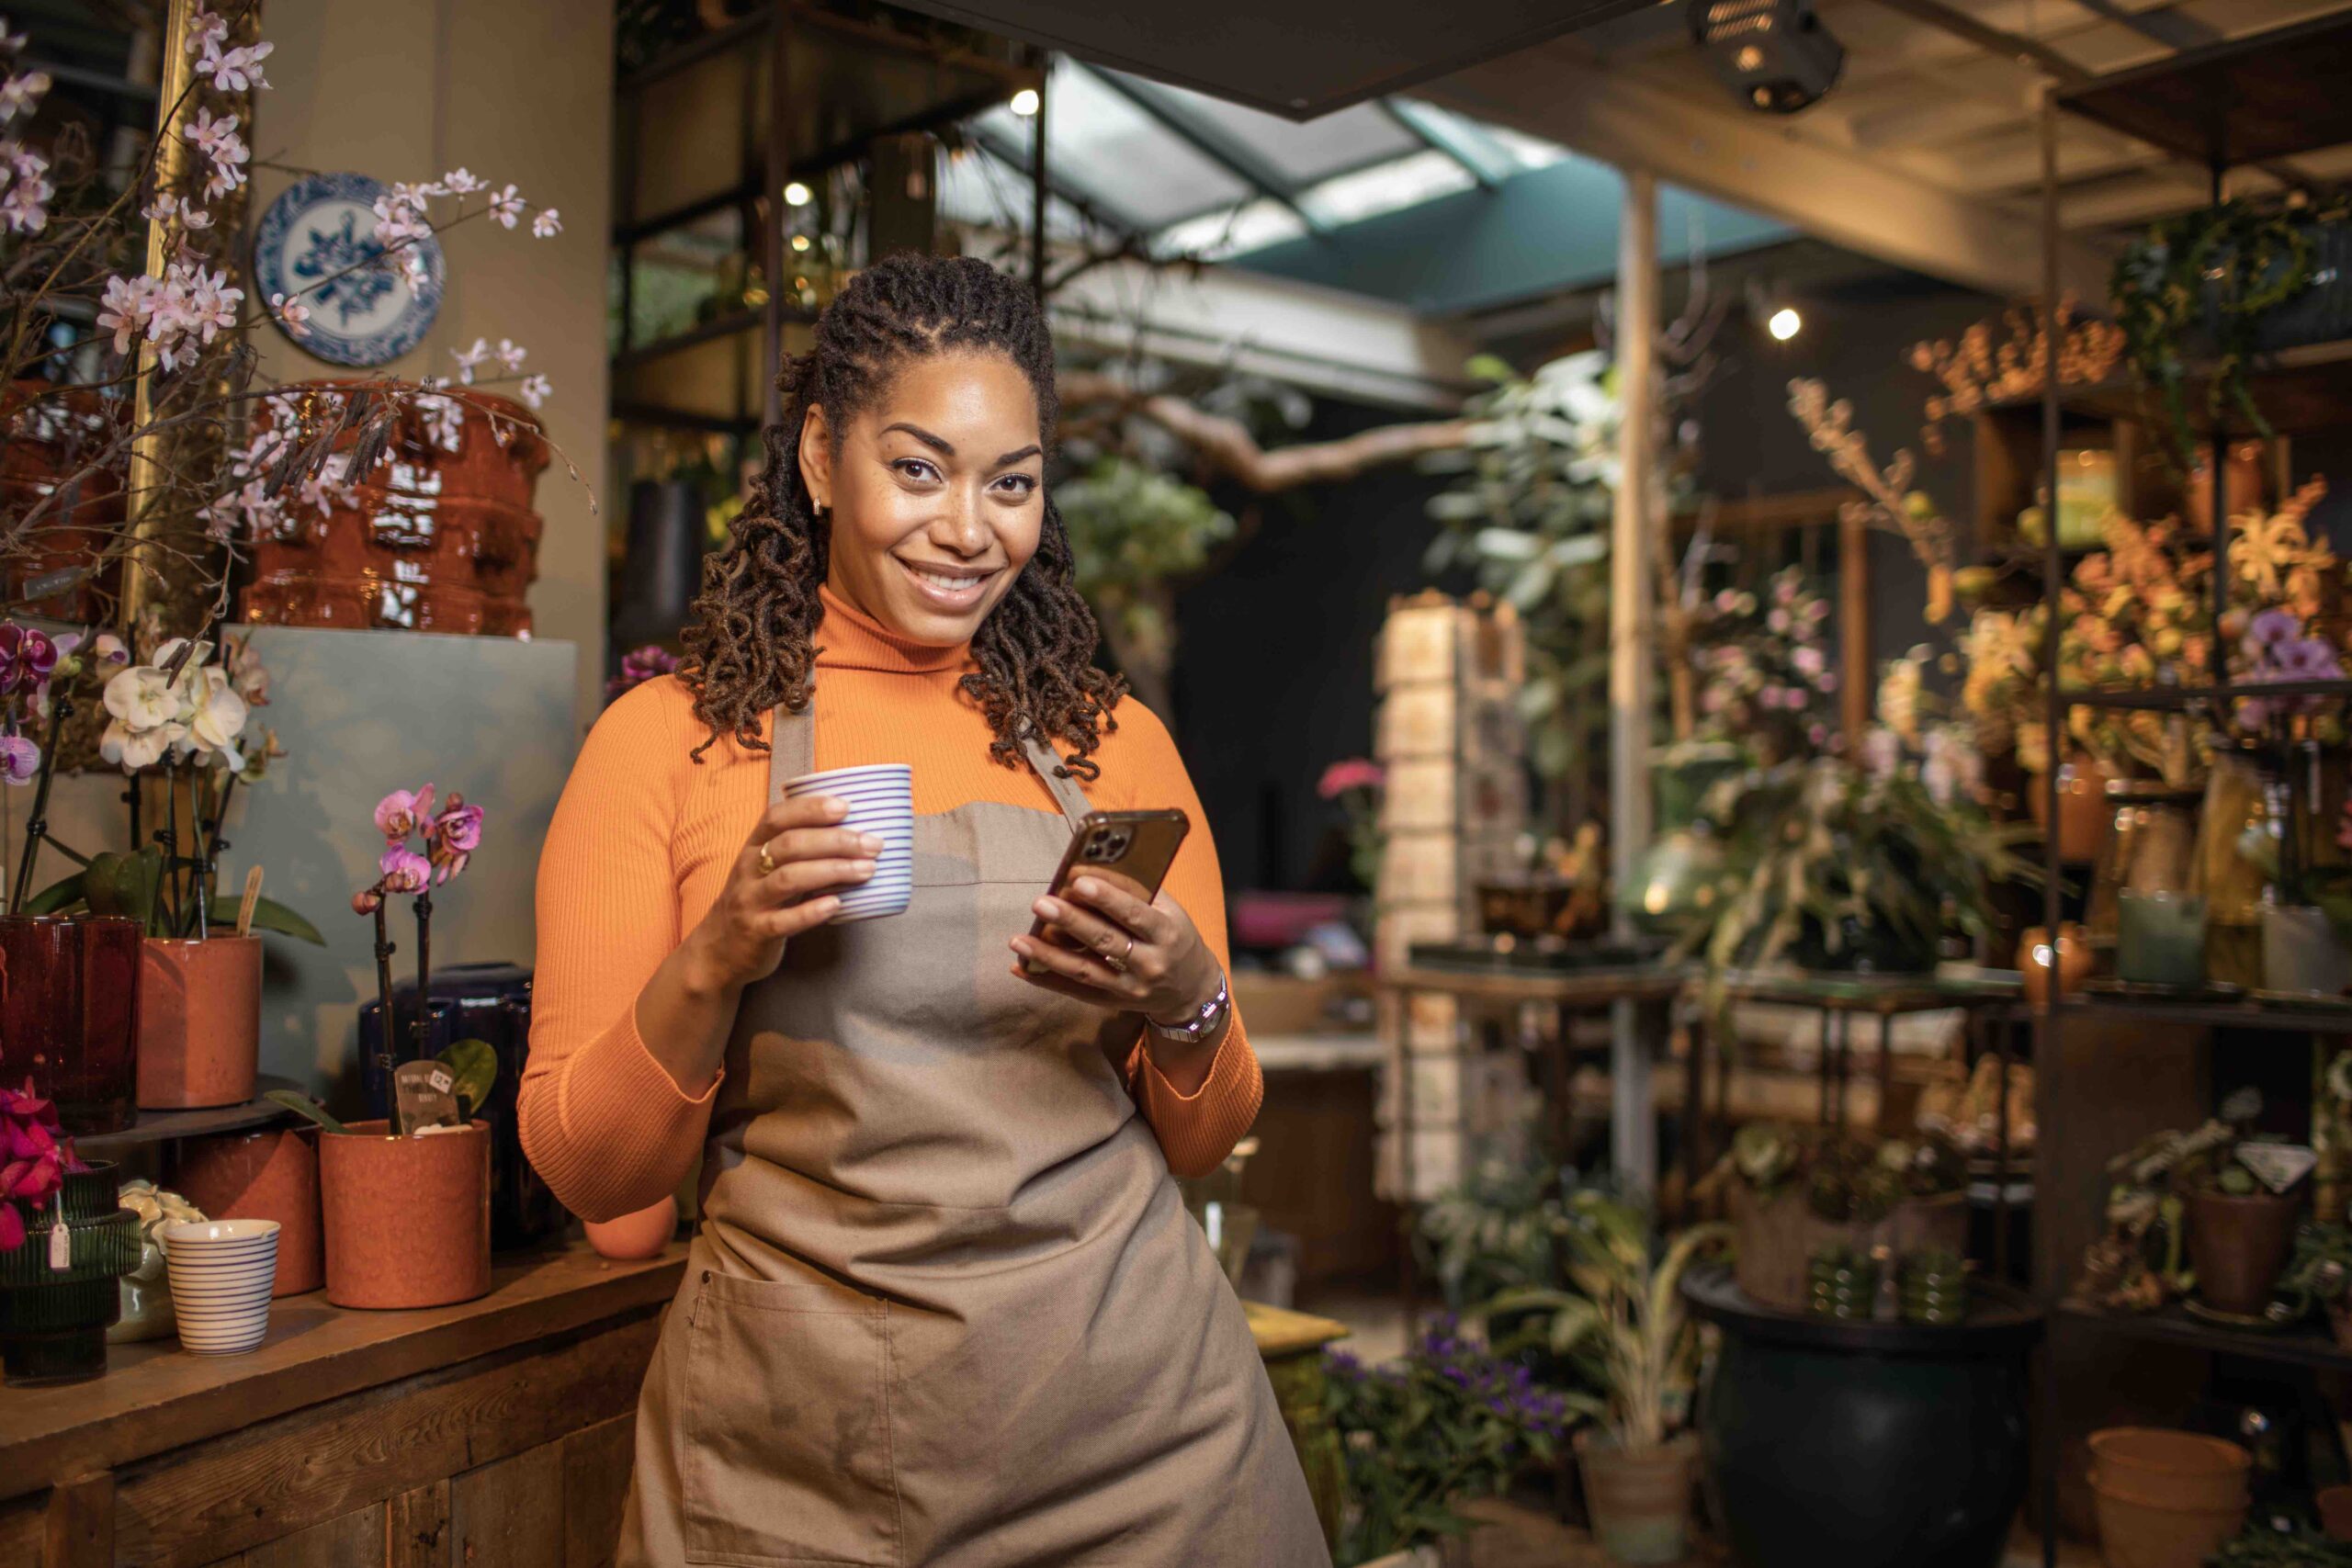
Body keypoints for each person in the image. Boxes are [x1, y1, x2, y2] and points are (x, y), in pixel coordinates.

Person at [521, 254, 1330, 1567]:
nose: (969, 529)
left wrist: (1191, 1002)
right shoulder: (665, 747)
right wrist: (716, 956)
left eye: (1010, 484)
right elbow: (596, 1178)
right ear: (823, 455)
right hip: (801, 1457)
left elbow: (1205, 1138)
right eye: (919, 469)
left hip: (1142, 1436)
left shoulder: (1113, 746)